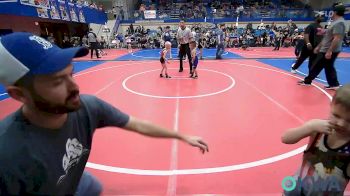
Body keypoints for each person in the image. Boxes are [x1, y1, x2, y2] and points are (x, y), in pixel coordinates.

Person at [0, 32, 209, 195]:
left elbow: (137, 124)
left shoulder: (87, 108)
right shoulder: (9, 159)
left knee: (91, 185)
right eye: (57, 82)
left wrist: (182, 136)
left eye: (70, 74)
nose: (74, 87)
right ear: (19, 95)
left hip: (70, 183)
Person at [281, 84, 350, 195]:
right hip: (297, 189)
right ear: (331, 105)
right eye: (336, 116)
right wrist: (310, 127)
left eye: (349, 121)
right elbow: (285, 138)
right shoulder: (318, 129)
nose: (341, 124)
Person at [298, 2, 346, 90]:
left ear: (335, 12)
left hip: (329, 49)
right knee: (327, 66)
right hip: (327, 48)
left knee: (318, 65)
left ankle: (308, 81)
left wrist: (329, 51)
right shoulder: (336, 22)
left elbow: (337, 38)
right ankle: (333, 84)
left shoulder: (339, 23)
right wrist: (324, 32)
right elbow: (330, 35)